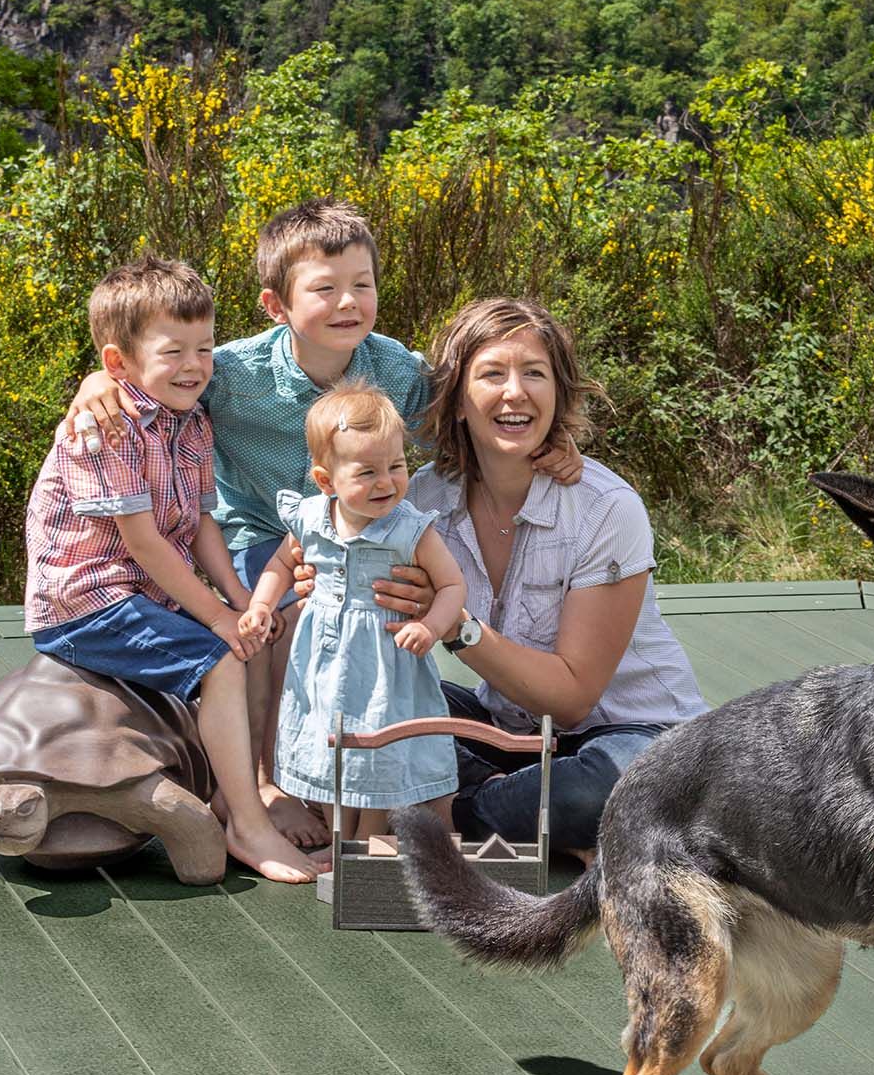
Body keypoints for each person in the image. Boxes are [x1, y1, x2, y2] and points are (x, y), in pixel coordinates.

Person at [62, 201, 579, 847]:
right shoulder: (235, 372)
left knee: (375, 636)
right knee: (276, 624)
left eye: (362, 285)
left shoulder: (395, 370)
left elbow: (469, 407)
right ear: (276, 305)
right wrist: (92, 382)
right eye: (325, 288)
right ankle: (265, 783)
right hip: (259, 531)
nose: (348, 302)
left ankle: (360, 778)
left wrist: (545, 440)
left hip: (362, 533)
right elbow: (161, 371)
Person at [331, 296, 707, 860]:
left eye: (535, 374)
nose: (515, 392)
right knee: (369, 714)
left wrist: (458, 628)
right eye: (492, 374)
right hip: (509, 732)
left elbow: (574, 699)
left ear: (557, 396)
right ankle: (527, 820)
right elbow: (341, 495)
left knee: (619, 787)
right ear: (458, 400)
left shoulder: (606, 508)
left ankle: (450, 811)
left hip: (632, 734)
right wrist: (318, 580)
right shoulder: (423, 500)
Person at [22, 256, 317, 883]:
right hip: (88, 602)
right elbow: (146, 543)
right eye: (174, 351)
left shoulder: (190, 422)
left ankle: (225, 794)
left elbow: (203, 524)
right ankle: (247, 821)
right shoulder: (104, 430)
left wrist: (241, 600)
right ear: (117, 362)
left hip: (142, 596)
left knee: (242, 637)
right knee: (221, 657)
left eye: (205, 349)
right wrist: (216, 616)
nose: (195, 366)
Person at [240, 383, 466, 857]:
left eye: (397, 467)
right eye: (368, 473)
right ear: (326, 481)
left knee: (378, 748)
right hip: (323, 660)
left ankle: (368, 840)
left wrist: (429, 625)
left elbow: (451, 586)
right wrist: (261, 605)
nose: (387, 482)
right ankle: (342, 838)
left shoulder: (409, 528)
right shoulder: (310, 519)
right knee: (332, 747)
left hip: (386, 658)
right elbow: (282, 565)